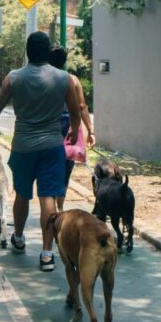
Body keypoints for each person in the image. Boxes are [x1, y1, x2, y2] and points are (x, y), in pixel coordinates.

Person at [0, 31, 81, 272]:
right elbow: (75, 110)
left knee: (22, 194)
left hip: (24, 145)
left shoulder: (14, 77)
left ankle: (18, 238)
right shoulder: (64, 78)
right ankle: (47, 253)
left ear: (27, 51)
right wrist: (73, 131)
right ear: (48, 51)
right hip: (52, 146)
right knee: (48, 197)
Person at [47, 46, 94, 212]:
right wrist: (90, 131)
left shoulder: (44, 79)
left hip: (50, 126)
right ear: (64, 61)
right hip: (70, 126)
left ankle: (50, 206)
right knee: (66, 169)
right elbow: (81, 106)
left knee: (50, 168)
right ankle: (60, 207)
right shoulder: (72, 80)